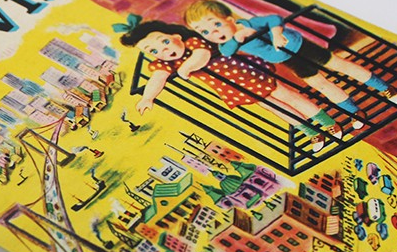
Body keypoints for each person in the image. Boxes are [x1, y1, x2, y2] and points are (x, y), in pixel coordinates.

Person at [115, 16, 342, 152]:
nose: (164, 50)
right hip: (233, 88)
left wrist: (185, 69)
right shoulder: (166, 63)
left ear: (175, 36)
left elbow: (202, 56)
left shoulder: (194, 43)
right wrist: (148, 97)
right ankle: (311, 132)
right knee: (275, 108)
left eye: (164, 42)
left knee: (288, 96)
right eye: (154, 51)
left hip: (248, 74)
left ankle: (327, 122)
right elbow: (157, 78)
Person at [184, 0, 397, 128]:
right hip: (288, 60)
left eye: (216, 25)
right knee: (320, 84)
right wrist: (238, 38)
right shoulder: (228, 43)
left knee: (339, 65)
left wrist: (276, 34)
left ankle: (384, 88)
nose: (214, 33)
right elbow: (227, 51)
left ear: (230, 20)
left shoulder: (249, 23)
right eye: (204, 31)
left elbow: (274, 19)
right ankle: (354, 111)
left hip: (298, 46)